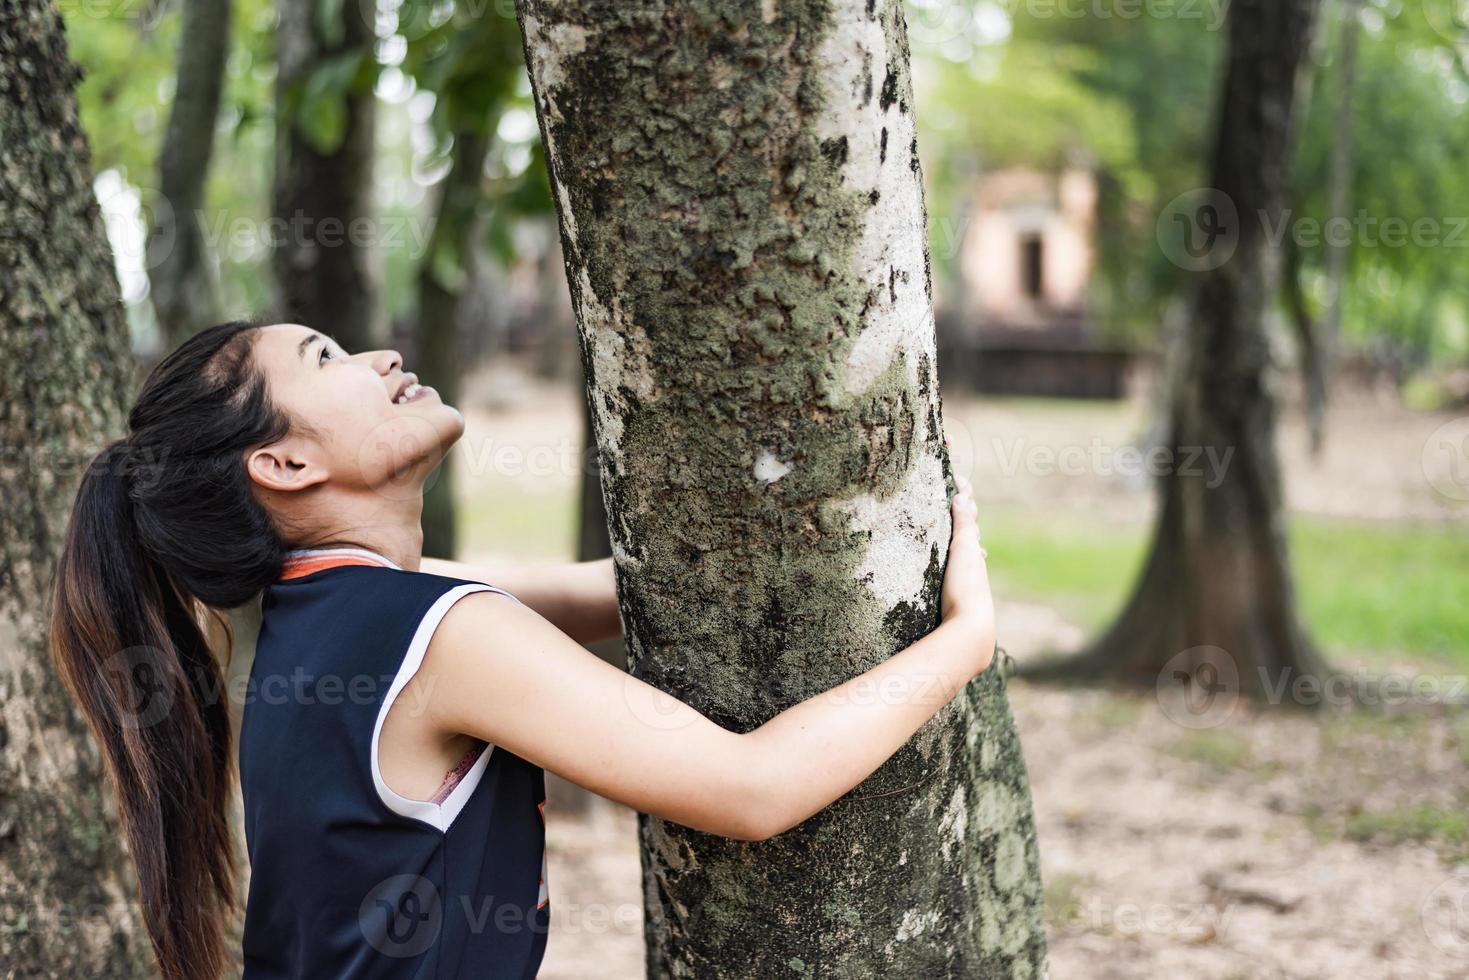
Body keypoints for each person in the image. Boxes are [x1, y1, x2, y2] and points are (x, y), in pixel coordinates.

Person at [48, 319, 996, 980]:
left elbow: (587, 596)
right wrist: (964, 640)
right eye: (326, 356)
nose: (381, 356)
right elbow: (751, 790)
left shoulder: (308, 613)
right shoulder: (433, 634)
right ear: (287, 464)